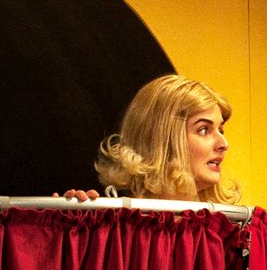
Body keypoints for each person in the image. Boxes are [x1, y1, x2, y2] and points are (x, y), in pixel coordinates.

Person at [61, 74, 237, 203]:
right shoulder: (109, 227)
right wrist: (63, 229)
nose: (224, 144)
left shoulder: (226, 231)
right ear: (162, 140)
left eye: (221, 130)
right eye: (204, 130)